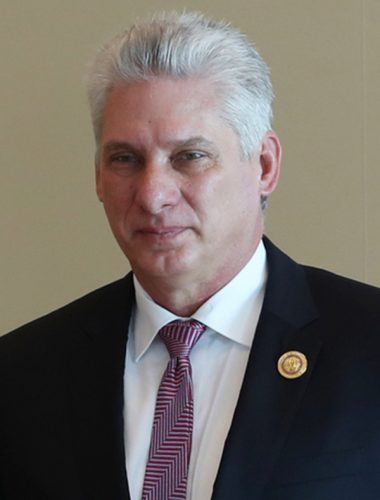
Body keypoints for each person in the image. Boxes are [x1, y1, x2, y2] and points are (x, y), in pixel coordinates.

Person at [0, 11, 379, 500]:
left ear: (264, 165)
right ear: (97, 177)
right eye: (125, 159)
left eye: (189, 157)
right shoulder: (21, 376)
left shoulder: (368, 348)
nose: (153, 194)